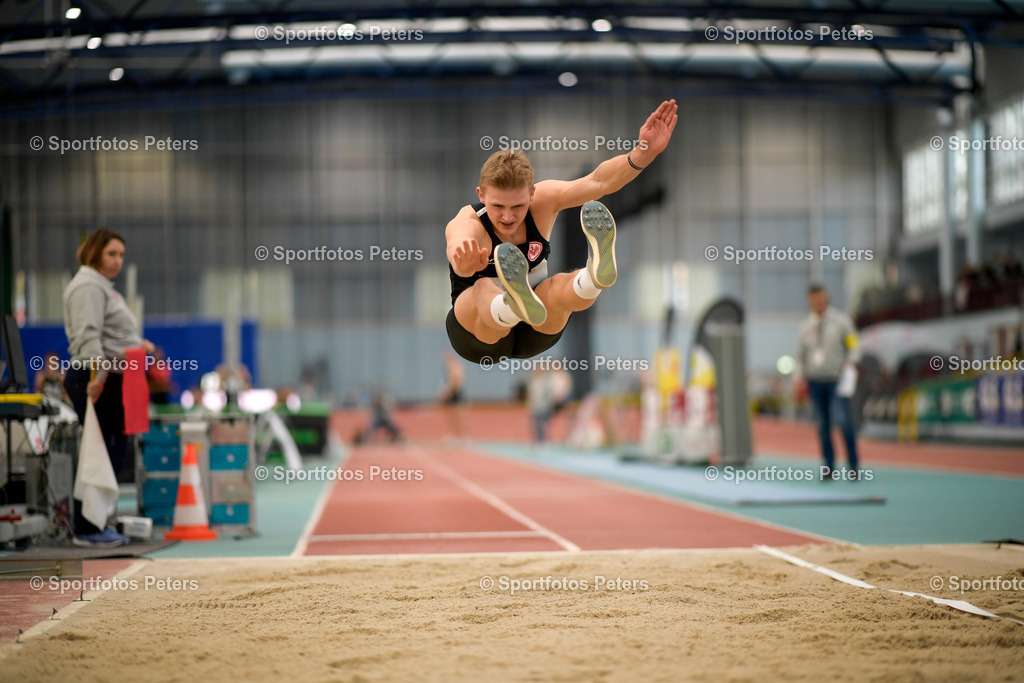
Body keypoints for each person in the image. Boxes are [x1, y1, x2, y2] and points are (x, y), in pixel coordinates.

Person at [445, 100, 678, 363]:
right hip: (478, 338)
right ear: (481, 195)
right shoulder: (469, 222)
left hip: (537, 327)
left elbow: (598, 181)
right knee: (482, 286)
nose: (508, 216)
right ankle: (511, 303)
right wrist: (462, 262)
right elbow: (457, 243)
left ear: (532, 193)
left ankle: (593, 277)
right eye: (498, 206)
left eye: (519, 206)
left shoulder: (543, 201)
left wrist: (643, 153)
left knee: (556, 287)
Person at [63, 228, 154, 547]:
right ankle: (88, 528)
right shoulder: (87, 285)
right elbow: (89, 336)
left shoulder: (102, 287)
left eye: (121, 256)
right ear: (94, 252)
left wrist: (136, 344)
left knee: (114, 450)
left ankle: (97, 520)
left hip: (115, 377)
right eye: (111, 254)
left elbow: (109, 333)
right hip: (96, 378)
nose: (117, 261)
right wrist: (99, 379)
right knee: (99, 452)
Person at [793, 284, 862, 481]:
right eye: (814, 299)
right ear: (809, 301)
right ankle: (829, 467)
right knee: (823, 426)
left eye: (822, 298)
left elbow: (854, 344)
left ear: (827, 297)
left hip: (836, 380)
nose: (819, 302)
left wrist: (851, 361)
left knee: (843, 421)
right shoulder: (806, 327)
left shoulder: (841, 322)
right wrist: (798, 377)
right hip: (815, 380)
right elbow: (800, 356)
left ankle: (854, 466)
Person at [438, 352, 466, 442]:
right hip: (454, 393)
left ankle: (460, 436)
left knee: (456, 416)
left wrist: (447, 392)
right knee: (452, 417)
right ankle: (455, 435)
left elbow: (455, 382)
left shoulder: (454, 366)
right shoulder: (455, 366)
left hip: (454, 394)